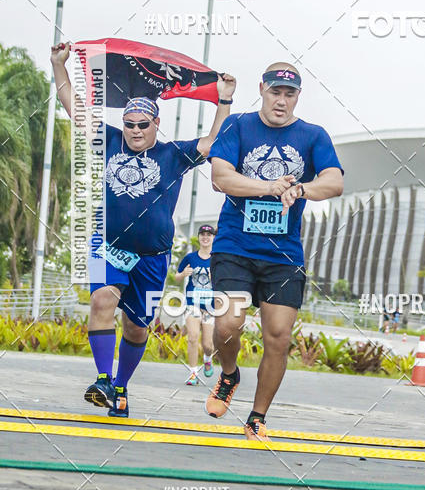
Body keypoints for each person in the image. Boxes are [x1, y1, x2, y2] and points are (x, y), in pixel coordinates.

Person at [50, 41, 236, 417]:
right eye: (130, 124)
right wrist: (59, 65)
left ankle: (120, 388)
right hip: (107, 245)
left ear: (156, 124)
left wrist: (224, 101)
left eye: (142, 125)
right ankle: (103, 379)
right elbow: (72, 104)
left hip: (153, 256)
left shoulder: (173, 153)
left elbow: (215, 142)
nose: (134, 131)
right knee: (102, 300)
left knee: (136, 329)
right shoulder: (109, 140)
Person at [205, 62, 344, 440]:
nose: (281, 101)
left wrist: (300, 189)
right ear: (262, 89)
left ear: (298, 96)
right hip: (235, 245)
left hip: (283, 254)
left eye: (289, 94)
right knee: (228, 324)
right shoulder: (240, 126)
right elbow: (220, 177)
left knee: (278, 336)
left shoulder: (313, 135)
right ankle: (230, 374)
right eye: (275, 92)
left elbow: (334, 182)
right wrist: (268, 187)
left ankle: (257, 417)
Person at [174, 224, 217, 384]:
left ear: (213, 238)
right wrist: (183, 274)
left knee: (207, 345)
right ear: (199, 237)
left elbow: (223, 283)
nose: (205, 237)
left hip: (210, 307)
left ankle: (207, 358)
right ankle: (193, 373)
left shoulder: (217, 259)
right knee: (192, 337)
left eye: (209, 235)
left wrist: (215, 279)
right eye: (202, 234)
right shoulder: (190, 258)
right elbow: (177, 276)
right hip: (193, 304)